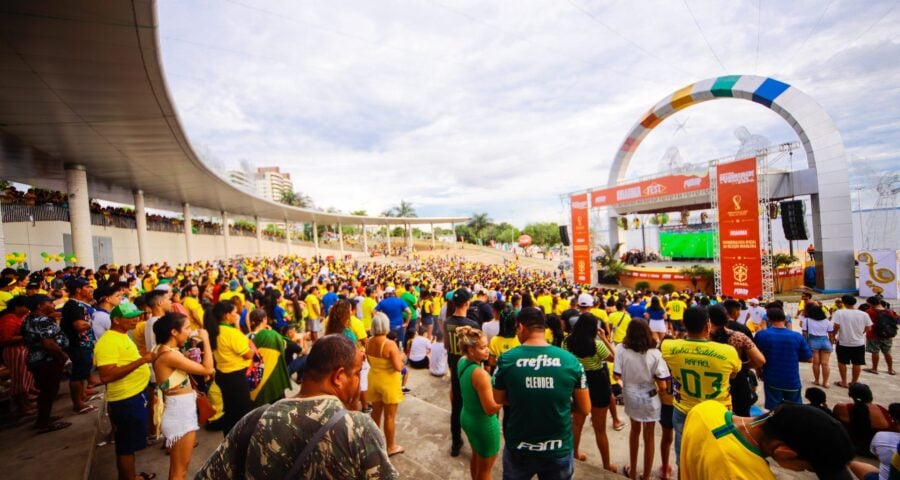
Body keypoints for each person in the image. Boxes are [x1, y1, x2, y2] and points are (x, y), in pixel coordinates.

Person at [196, 335, 399, 479]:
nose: (358, 382)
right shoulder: (359, 427)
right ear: (338, 377)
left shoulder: (255, 419)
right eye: (356, 374)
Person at [493, 306, 590, 479]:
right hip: (558, 446)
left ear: (521, 327)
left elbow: (498, 399)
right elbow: (584, 408)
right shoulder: (570, 361)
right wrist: (559, 404)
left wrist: (522, 397)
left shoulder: (506, 360)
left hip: (519, 445)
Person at [680, 401, 855, 479]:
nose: (803, 471)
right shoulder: (746, 475)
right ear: (784, 451)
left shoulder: (705, 410)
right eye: (807, 468)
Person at [660, 306, 741, 466]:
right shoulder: (728, 351)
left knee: (684, 458)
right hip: (718, 413)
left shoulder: (669, 347)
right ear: (707, 326)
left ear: (684, 324)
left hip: (685, 410)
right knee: (717, 461)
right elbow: (734, 374)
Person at [94, 301, 156, 480]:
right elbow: (106, 375)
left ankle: (129, 476)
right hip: (125, 400)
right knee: (126, 446)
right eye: (130, 317)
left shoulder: (121, 335)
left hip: (133, 396)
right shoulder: (108, 341)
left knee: (128, 444)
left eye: (136, 315)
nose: (136, 319)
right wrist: (142, 361)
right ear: (117, 320)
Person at [151, 312, 214, 480]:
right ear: (174, 332)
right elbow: (208, 369)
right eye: (186, 328)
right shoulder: (169, 355)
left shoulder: (163, 350)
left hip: (179, 411)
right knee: (180, 471)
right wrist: (206, 340)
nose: (190, 331)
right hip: (179, 415)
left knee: (178, 469)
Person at [614, 319, 670, 480]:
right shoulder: (655, 353)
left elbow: (616, 375)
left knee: (634, 431)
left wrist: (627, 385)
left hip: (630, 395)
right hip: (650, 396)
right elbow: (663, 384)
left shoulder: (620, 349)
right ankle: (645, 475)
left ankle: (631, 472)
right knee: (649, 436)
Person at [563, 312, 617, 471]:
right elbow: (615, 357)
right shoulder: (597, 345)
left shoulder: (567, 342)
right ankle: (606, 464)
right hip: (598, 384)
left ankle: (575, 454)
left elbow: (565, 359)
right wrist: (605, 338)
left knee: (577, 423)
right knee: (600, 429)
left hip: (578, 382)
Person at [456, 326, 501, 479]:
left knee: (476, 457)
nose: (487, 350)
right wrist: (506, 396)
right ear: (470, 350)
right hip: (483, 425)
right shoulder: (480, 374)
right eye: (482, 348)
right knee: (485, 470)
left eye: (486, 346)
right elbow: (491, 409)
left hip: (467, 417)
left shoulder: (462, 361)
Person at [22, 294, 71, 433]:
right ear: (40, 305)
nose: (53, 305)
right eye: (49, 302)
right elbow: (48, 343)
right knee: (49, 391)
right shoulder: (42, 320)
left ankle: (44, 417)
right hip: (46, 360)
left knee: (45, 390)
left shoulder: (29, 319)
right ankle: (43, 422)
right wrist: (62, 355)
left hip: (36, 360)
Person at [205, 301, 253, 436]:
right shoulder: (230, 333)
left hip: (223, 374)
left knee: (230, 410)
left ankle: (229, 438)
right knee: (242, 412)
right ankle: (240, 442)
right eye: (235, 312)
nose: (237, 315)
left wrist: (237, 324)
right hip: (235, 377)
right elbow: (247, 354)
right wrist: (253, 351)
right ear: (227, 316)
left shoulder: (215, 330)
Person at [708, 305, 765, 417]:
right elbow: (760, 360)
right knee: (740, 420)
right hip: (738, 381)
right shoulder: (739, 337)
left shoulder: (705, 337)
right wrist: (743, 366)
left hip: (713, 382)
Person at [752, 307, 812, 409]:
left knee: (774, 411)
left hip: (772, 378)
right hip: (792, 379)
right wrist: (792, 357)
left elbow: (756, 356)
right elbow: (809, 359)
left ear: (768, 319)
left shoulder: (762, 335)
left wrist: (758, 370)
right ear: (785, 319)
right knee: (795, 410)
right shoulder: (797, 336)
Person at [445, 288, 479, 457]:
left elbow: (447, 345)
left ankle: (455, 443)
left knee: (457, 406)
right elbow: (476, 352)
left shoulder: (447, 322)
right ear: (467, 303)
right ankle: (475, 443)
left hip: (454, 364)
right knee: (472, 406)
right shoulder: (472, 325)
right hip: (468, 368)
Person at [365, 312, 405, 457]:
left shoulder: (368, 341)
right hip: (388, 383)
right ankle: (391, 446)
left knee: (376, 413)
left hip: (374, 379)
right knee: (389, 417)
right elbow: (398, 367)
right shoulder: (389, 344)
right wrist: (401, 357)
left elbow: (369, 362)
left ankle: (376, 443)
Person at [60, 277, 98, 414]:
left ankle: (82, 395)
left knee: (83, 371)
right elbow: (79, 325)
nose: (91, 289)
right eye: (87, 287)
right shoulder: (74, 305)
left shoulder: (80, 304)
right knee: (77, 373)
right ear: (78, 290)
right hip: (77, 343)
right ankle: (78, 404)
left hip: (84, 343)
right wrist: (93, 323)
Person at [833, 383, 897, 455]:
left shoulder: (842, 408)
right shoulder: (881, 409)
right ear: (870, 395)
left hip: (852, 445)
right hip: (877, 449)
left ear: (850, 395)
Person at [246, 309, 291, 407]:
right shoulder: (272, 335)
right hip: (272, 376)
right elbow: (283, 346)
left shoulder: (247, 337)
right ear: (264, 319)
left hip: (255, 378)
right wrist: (271, 333)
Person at [0, 295, 36, 416]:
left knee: (25, 378)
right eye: (25, 307)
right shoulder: (8, 319)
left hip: (22, 349)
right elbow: (6, 339)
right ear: (17, 307)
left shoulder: (18, 317)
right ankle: (22, 407)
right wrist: (27, 336)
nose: (27, 309)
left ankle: (26, 403)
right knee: (19, 380)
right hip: (14, 351)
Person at [831, 295, 873, 388]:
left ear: (844, 303)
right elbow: (868, 327)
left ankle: (844, 381)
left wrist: (833, 335)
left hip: (843, 341)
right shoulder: (864, 314)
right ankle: (854, 382)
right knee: (857, 363)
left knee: (842, 362)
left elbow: (836, 326)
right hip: (859, 342)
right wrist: (861, 332)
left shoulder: (840, 313)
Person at [800, 303, 834, 387]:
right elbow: (831, 334)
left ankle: (817, 380)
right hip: (825, 341)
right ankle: (825, 382)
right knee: (825, 363)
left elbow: (804, 333)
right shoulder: (827, 321)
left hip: (813, 340)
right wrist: (831, 343)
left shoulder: (807, 320)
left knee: (816, 363)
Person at [863, 296, 896, 375]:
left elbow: (865, 322)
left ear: (870, 303)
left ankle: (874, 368)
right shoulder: (889, 311)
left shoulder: (870, 311)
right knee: (887, 352)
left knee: (875, 352)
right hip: (887, 334)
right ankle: (890, 369)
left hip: (873, 334)